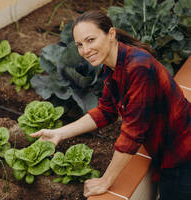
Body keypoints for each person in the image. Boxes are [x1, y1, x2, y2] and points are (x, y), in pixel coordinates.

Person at [30, 10, 191, 200]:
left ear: (111, 34)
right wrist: (60, 133)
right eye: (79, 45)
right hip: (168, 153)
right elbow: (106, 111)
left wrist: (105, 181)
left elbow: (133, 133)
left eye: (91, 40)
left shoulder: (139, 67)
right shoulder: (113, 65)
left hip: (183, 156)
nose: (85, 50)